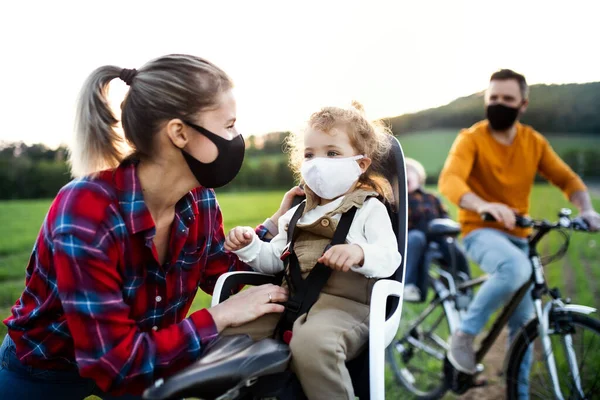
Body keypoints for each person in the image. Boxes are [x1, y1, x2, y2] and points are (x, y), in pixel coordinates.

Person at [0, 54, 298, 399]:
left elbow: (220, 271)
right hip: (47, 367)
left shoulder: (200, 201)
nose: (237, 137)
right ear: (179, 133)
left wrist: (276, 229)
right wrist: (219, 317)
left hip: (149, 355)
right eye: (229, 125)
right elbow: (115, 363)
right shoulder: (86, 211)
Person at [223, 102, 402, 400]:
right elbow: (273, 260)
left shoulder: (369, 208)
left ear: (361, 163)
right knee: (232, 331)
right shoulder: (297, 213)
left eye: (332, 153)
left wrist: (359, 253)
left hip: (347, 306)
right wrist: (252, 246)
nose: (319, 163)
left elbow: (389, 257)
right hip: (293, 300)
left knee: (312, 344)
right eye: (310, 154)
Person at [438, 69, 600, 395]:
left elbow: (567, 179)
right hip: (479, 230)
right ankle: (464, 336)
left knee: (524, 328)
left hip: (519, 234)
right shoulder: (471, 138)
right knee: (515, 268)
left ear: (522, 104)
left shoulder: (533, 142)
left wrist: (586, 209)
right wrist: (484, 204)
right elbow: (450, 181)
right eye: (493, 98)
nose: (498, 104)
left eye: (507, 99)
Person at [403, 158, 470, 302]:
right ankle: (409, 285)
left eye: (409, 172)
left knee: (453, 246)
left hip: (437, 235)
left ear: (419, 177)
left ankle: (464, 285)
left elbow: (445, 216)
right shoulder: (400, 199)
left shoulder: (432, 198)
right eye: (403, 172)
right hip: (414, 237)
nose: (406, 175)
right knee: (416, 237)